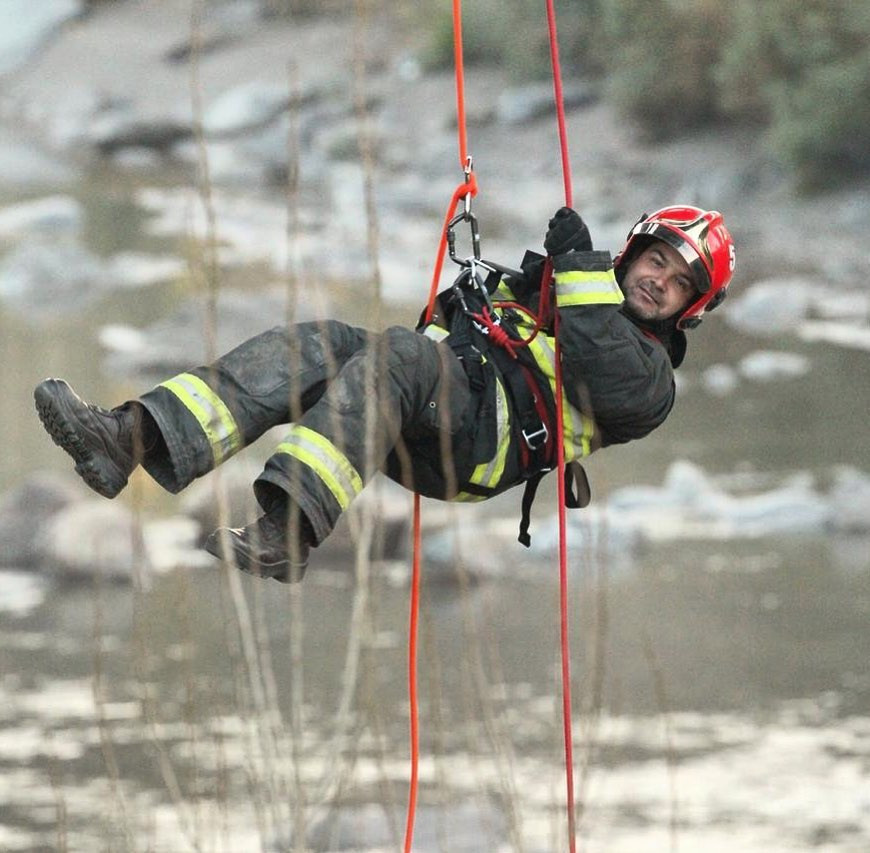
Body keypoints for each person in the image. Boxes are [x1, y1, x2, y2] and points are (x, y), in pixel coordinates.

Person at [34, 205, 735, 582]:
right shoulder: (560, 295)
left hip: (481, 446)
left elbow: (593, 357)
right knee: (317, 345)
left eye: (676, 281)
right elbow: (450, 329)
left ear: (689, 307)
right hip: (434, 409)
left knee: (397, 353)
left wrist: (579, 268)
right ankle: (127, 437)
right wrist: (477, 296)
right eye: (655, 260)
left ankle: (288, 532)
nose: (657, 279)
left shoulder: (649, 382)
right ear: (636, 251)